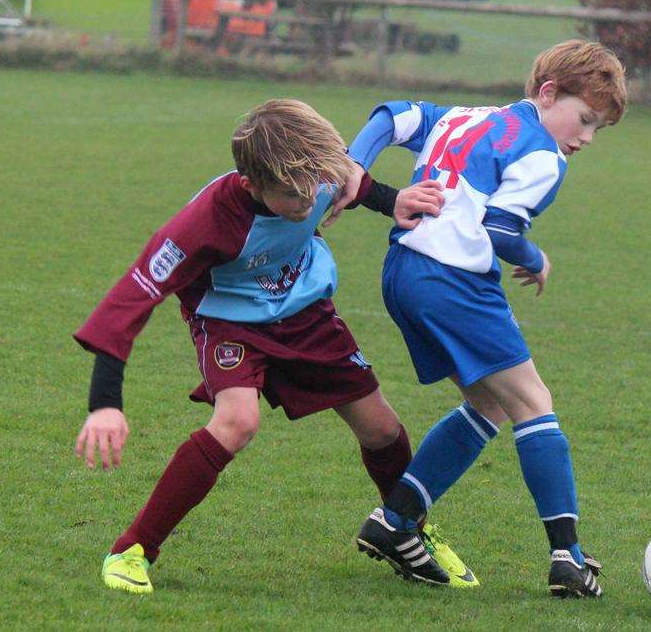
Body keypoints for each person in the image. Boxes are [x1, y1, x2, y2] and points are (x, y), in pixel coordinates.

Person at [73, 99, 477, 594]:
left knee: (382, 427)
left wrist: (391, 200)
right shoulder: (206, 222)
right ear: (252, 185)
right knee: (237, 421)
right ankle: (133, 549)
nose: (311, 203)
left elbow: (351, 181)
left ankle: (406, 526)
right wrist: (105, 404)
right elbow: (129, 301)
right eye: (294, 197)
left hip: (305, 310)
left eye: (317, 190)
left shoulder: (312, 173)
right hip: (230, 321)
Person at [329, 40, 627, 597]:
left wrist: (354, 164)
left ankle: (395, 521)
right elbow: (500, 230)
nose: (585, 137)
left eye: (597, 129)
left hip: (402, 271)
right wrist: (536, 259)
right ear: (546, 93)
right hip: (453, 281)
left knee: (488, 403)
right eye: (584, 118)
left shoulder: (468, 115)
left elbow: (393, 114)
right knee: (534, 404)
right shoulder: (544, 155)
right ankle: (568, 556)